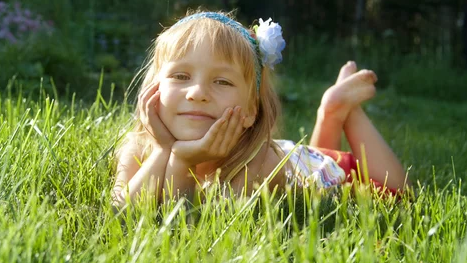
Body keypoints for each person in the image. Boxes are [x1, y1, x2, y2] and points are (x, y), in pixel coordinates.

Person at [112, 11, 408, 206]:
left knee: (396, 192)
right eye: (180, 76)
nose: (198, 93)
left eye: (222, 82)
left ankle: (342, 110)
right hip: (302, 165)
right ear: (154, 88)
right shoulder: (136, 150)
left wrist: (180, 162)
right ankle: (332, 113)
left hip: (335, 171)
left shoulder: (259, 163)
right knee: (312, 173)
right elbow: (121, 214)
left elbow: (194, 228)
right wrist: (164, 150)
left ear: (251, 109)